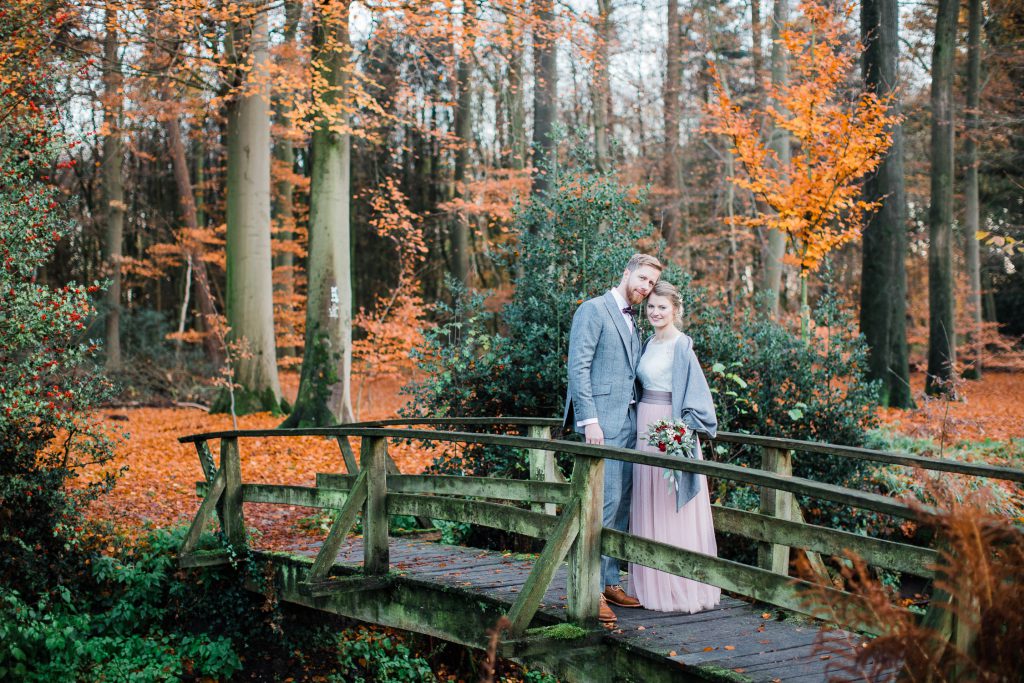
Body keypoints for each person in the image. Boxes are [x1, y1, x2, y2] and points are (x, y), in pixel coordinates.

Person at [564, 253, 662, 624]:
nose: (645, 287)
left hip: (629, 425)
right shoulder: (593, 310)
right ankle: (587, 589)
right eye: (642, 278)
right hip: (601, 426)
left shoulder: (634, 319)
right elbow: (579, 367)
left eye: (651, 283)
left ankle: (608, 581)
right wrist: (589, 421)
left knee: (621, 506)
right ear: (627, 272)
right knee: (601, 506)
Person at [627, 280, 721, 613]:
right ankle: (649, 584)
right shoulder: (646, 343)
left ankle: (679, 586)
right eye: (651, 306)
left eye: (662, 307)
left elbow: (700, 397)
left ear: (675, 310)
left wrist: (681, 431)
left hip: (670, 428)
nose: (655, 312)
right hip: (643, 427)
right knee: (648, 499)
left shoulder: (682, 346)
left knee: (671, 505)